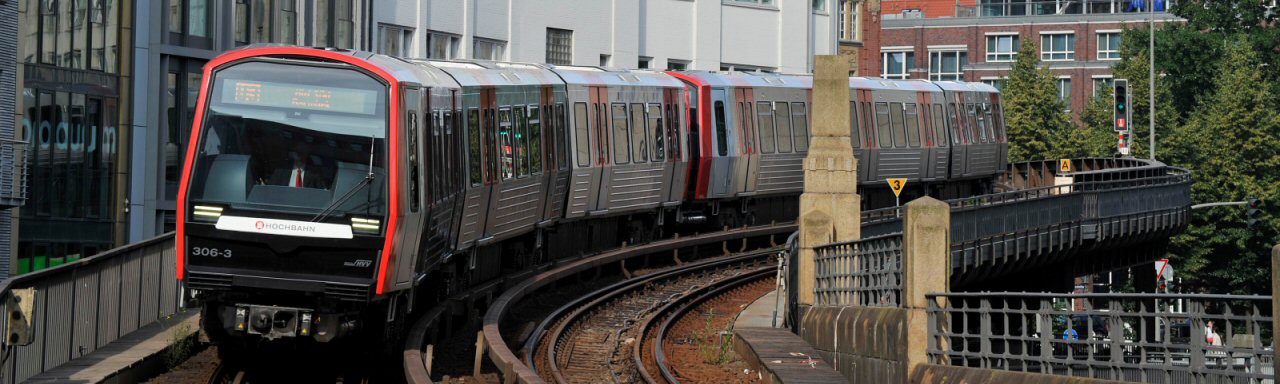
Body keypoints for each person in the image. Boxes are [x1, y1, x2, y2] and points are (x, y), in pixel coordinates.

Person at [264, 143, 328, 189]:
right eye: (298, 152)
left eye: (302, 152)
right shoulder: (281, 170)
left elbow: (323, 193)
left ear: (307, 154)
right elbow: (270, 190)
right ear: (293, 153)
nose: (299, 155)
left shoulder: (315, 173)